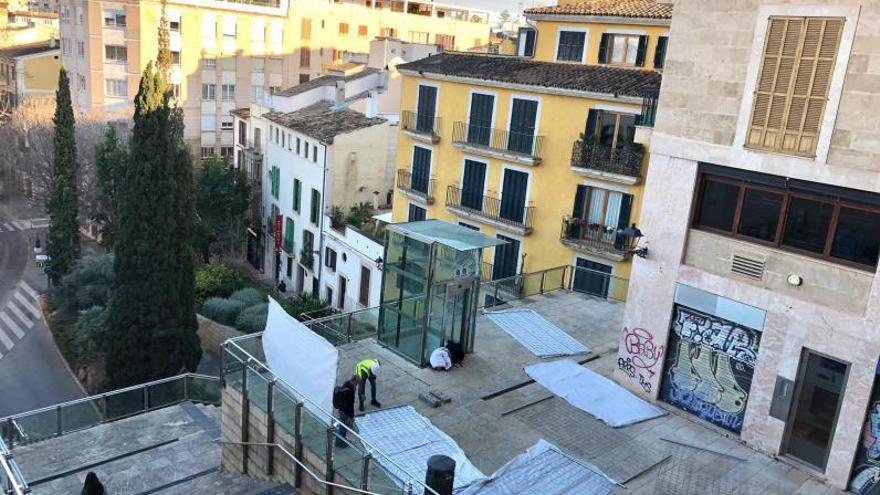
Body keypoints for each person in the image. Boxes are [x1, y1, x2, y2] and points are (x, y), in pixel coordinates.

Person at [333, 375, 357, 448]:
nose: (356, 385)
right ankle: (339, 442)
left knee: (343, 425)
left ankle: (341, 439)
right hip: (344, 410)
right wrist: (351, 416)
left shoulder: (346, 385)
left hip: (342, 409)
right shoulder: (349, 391)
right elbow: (349, 405)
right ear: (353, 381)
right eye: (356, 383)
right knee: (343, 427)